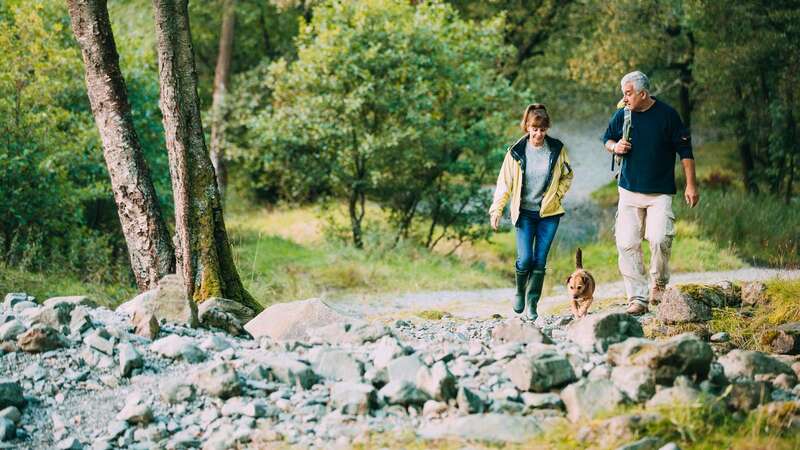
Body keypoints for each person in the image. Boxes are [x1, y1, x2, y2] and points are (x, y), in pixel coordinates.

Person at [602, 71, 699, 315]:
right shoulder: (623, 114)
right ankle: (637, 298)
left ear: (643, 94)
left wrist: (691, 185)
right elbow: (607, 139)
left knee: (659, 239)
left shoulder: (668, 116)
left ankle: (659, 284)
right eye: (623, 94)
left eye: (628, 93)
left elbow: (685, 151)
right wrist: (616, 147)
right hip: (628, 191)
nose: (624, 98)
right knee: (626, 243)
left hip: (659, 193)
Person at [489, 104, 574, 321]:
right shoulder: (516, 152)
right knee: (525, 258)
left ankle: (532, 302)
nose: (538, 134)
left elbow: (567, 175)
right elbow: (504, 183)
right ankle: (520, 291)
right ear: (527, 127)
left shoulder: (557, 149)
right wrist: (497, 209)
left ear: (547, 129)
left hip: (549, 214)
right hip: (524, 213)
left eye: (542, 129)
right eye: (534, 129)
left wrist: (558, 195)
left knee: (539, 260)